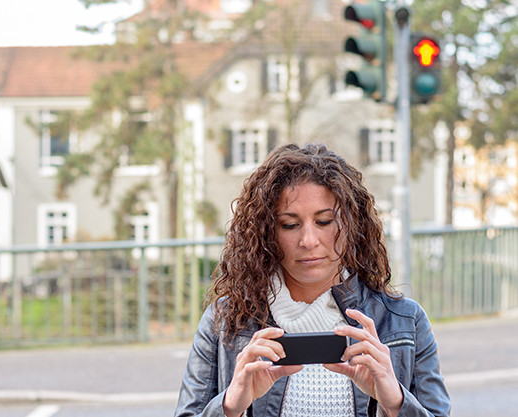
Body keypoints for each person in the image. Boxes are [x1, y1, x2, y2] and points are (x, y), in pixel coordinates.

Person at [174, 143, 450, 417]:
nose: (308, 241)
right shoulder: (225, 320)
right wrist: (230, 405)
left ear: (352, 225)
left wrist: (396, 402)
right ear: (267, 232)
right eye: (290, 225)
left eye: (325, 221)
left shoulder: (404, 322)